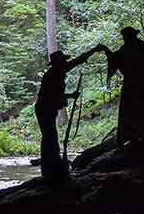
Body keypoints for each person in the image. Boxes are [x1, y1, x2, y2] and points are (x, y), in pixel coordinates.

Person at [35, 46, 102, 182]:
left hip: (47, 108)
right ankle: (51, 167)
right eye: (63, 61)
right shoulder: (53, 74)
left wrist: (93, 50)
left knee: (49, 136)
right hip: (44, 108)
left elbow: (78, 60)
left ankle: (51, 166)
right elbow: (52, 94)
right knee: (50, 137)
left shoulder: (57, 71)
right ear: (58, 63)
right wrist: (70, 95)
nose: (66, 63)